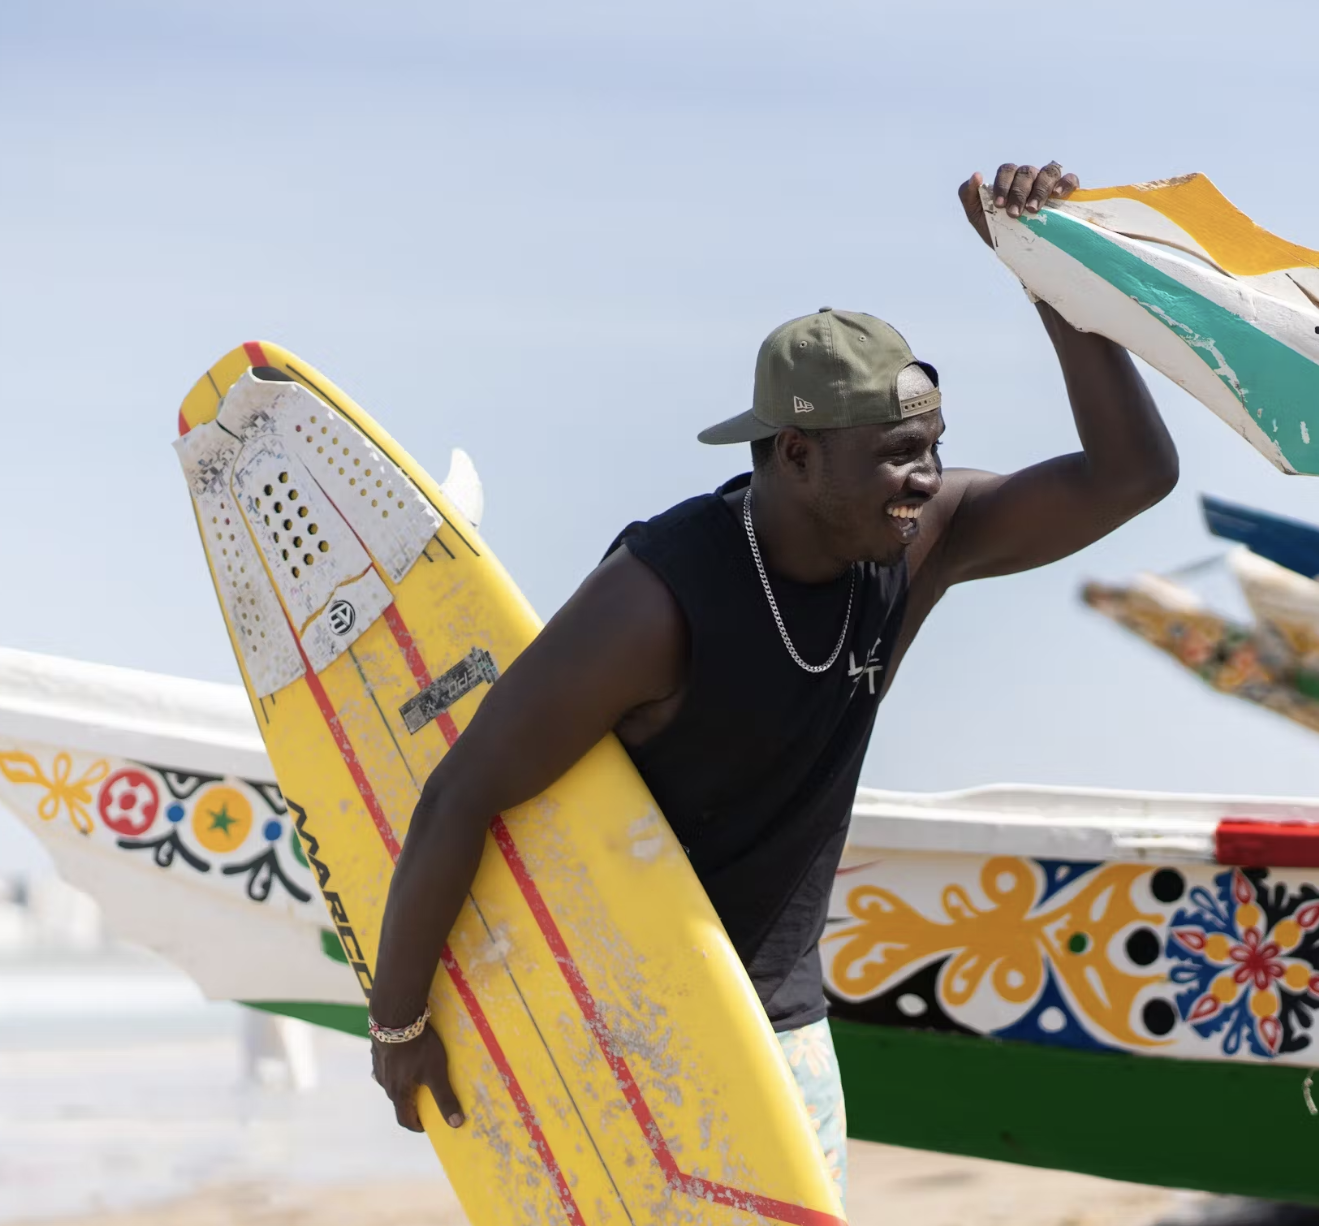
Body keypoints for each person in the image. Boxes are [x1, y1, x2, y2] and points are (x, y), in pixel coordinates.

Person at [366, 160, 1179, 1202]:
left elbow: (1132, 476)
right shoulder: (656, 600)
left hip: (785, 1023)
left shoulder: (915, 541)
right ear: (796, 453)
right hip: (616, 1016)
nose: (925, 480)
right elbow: (463, 790)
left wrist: (1050, 280)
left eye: (935, 449)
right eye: (897, 454)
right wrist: (399, 1023)